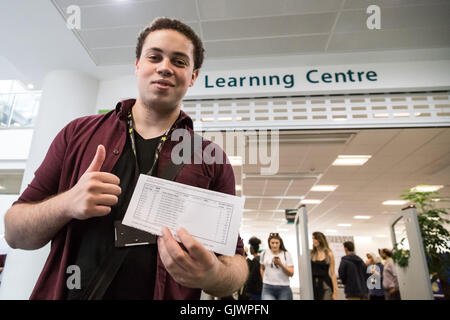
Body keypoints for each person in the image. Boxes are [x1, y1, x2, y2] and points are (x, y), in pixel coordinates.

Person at [4, 17, 248, 300]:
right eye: (154, 57)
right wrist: (67, 203)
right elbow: (14, 232)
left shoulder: (211, 159)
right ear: (137, 65)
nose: (165, 67)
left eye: (179, 62)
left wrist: (214, 276)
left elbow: (236, 263)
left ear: (193, 76)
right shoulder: (78, 134)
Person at [260, 233, 294, 300]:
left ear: (280, 243)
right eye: (272, 243)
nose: (274, 245)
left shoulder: (286, 254)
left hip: (284, 288)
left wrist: (281, 264)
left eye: (276, 243)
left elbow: (291, 273)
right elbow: (262, 268)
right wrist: (264, 279)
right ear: (269, 243)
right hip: (267, 288)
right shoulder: (264, 253)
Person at [310, 232, 338, 300]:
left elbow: (332, 274)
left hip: (325, 285)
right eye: (313, 239)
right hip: (313, 286)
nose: (314, 241)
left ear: (321, 239)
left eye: (315, 239)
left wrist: (335, 292)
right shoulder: (311, 253)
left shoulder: (329, 253)